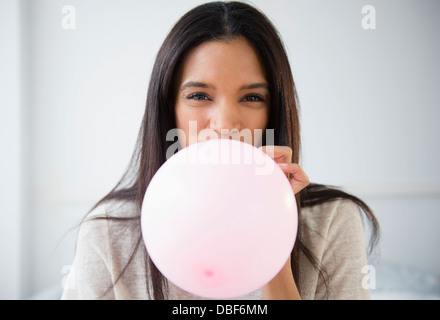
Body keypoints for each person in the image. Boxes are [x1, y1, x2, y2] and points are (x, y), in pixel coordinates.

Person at [61, 1, 379, 300]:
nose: (226, 124)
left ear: (275, 111)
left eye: (252, 98)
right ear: (169, 109)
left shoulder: (332, 220)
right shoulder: (107, 231)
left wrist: (273, 238)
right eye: (199, 96)